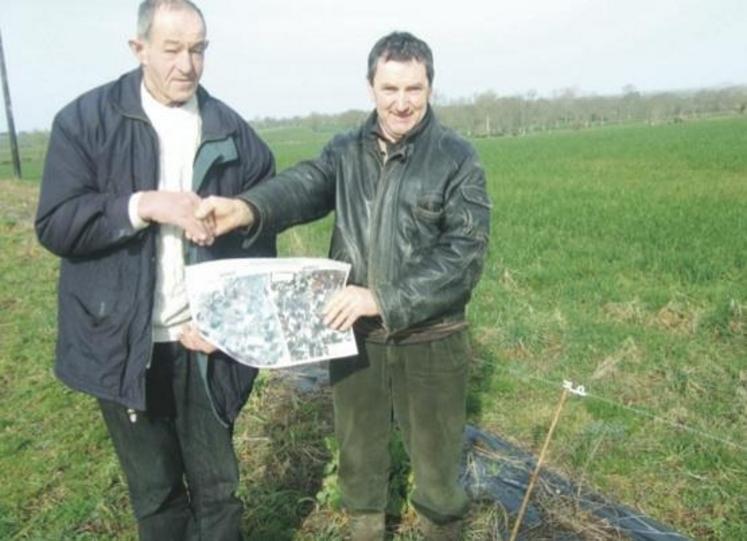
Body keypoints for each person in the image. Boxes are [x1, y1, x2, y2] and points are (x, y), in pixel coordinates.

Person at [188, 31, 491, 540]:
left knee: (438, 475)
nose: (401, 103)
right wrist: (245, 209)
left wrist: (381, 298)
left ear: (430, 89)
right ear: (371, 86)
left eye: (413, 89)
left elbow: (464, 254)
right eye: (389, 88)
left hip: (432, 341)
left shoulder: (457, 158)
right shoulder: (345, 151)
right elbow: (302, 187)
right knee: (358, 459)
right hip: (355, 339)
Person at [34, 1, 276, 539]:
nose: (186, 64)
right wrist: (142, 206)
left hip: (204, 347)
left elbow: (261, 250)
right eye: (172, 50)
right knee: (157, 496)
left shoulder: (235, 136)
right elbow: (55, 223)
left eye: (198, 50)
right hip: (124, 343)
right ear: (138, 48)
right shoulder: (84, 123)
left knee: (218, 492)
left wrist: (229, 326)